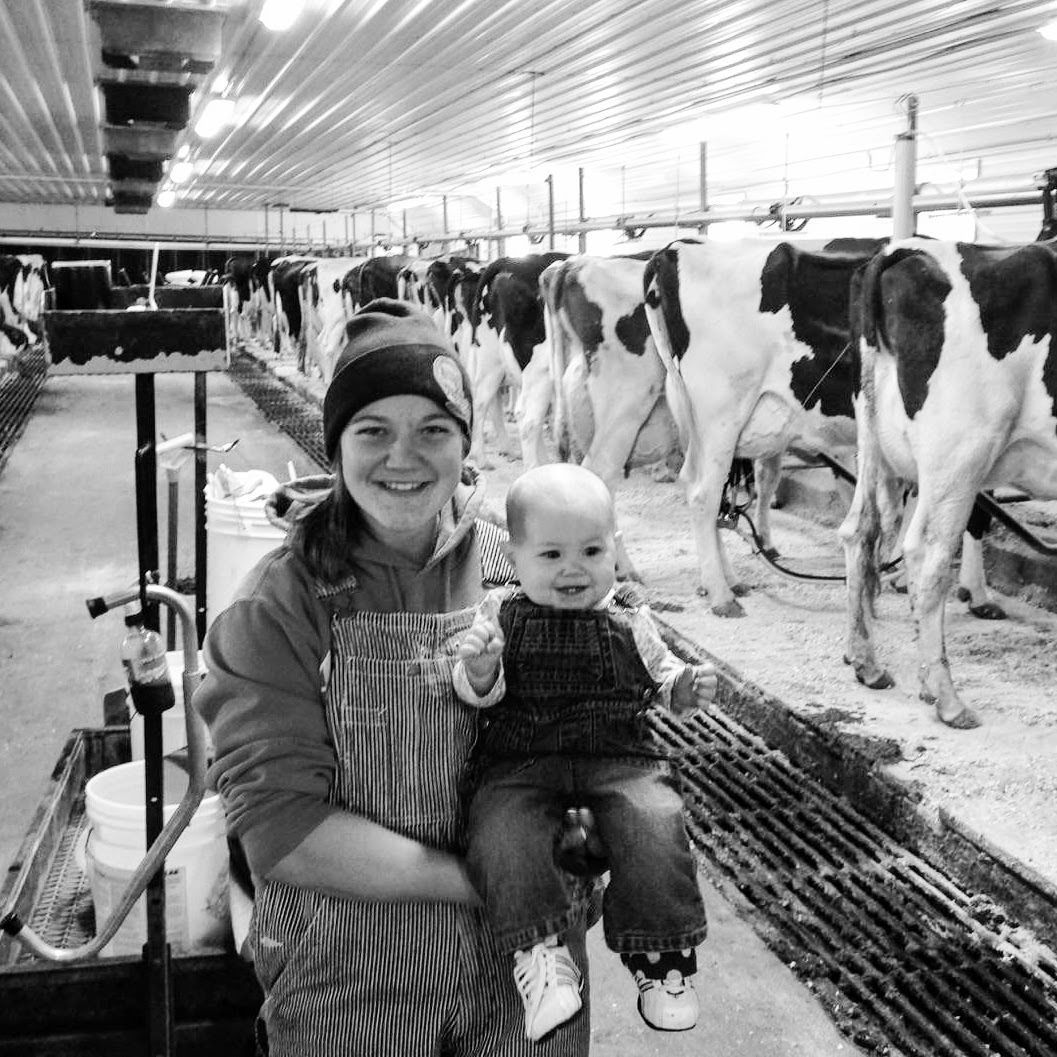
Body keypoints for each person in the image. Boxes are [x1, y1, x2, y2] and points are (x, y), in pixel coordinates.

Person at [194, 300, 592, 1057]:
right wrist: (493, 880)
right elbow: (284, 831)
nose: (403, 458)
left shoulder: (526, 570)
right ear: (336, 442)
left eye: (433, 429)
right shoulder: (281, 604)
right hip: (348, 979)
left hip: (528, 978)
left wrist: (594, 838)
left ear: (465, 441)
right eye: (372, 430)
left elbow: (589, 741)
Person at [452, 463, 716, 1040]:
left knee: (656, 820)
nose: (573, 568)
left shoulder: (629, 615)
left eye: (592, 551)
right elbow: (475, 694)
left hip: (617, 756)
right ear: (514, 558)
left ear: (614, 549)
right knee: (501, 831)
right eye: (550, 555)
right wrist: (481, 668)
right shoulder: (498, 613)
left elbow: (661, 674)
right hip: (521, 760)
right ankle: (542, 955)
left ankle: (660, 957)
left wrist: (683, 688)